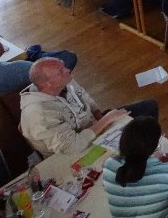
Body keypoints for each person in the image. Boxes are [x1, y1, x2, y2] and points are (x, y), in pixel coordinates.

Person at [20, 57, 158, 157]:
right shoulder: (39, 114)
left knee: (150, 107)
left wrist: (100, 116)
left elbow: (85, 97)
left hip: (95, 126)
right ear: (47, 84)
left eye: (63, 66)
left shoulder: (65, 82)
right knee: (129, 148)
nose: (68, 70)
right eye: (61, 71)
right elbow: (72, 147)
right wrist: (105, 121)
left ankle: (149, 149)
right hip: (75, 151)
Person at [0, 31, 76, 122]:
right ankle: (32, 54)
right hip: (19, 113)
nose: (1, 40)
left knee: (30, 54)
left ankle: (31, 53)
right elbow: (44, 71)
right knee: (68, 57)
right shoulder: (18, 70)